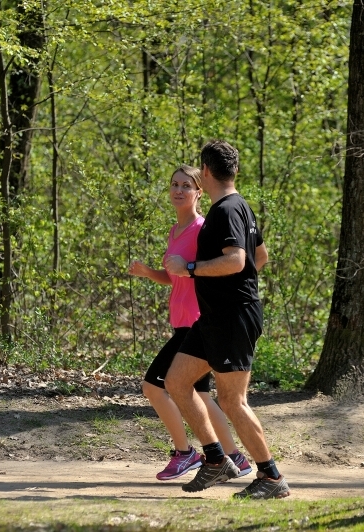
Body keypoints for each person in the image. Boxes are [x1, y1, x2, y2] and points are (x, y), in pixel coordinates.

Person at [164, 140, 290, 499]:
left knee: (233, 401)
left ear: (205, 172)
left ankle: (271, 477)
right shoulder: (239, 206)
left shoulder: (227, 210)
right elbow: (259, 257)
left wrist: (190, 269)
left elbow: (237, 260)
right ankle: (217, 460)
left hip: (233, 318)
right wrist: (230, 285)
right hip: (216, 317)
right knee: (176, 381)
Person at [128, 164, 252, 482]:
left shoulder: (201, 229)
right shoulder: (175, 231)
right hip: (182, 321)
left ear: (199, 191)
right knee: (200, 395)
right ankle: (235, 456)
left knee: (153, 386)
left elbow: (209, 268)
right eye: (174, 184)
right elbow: (175, 278)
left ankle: (186, 454)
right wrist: (147, 272)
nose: (179, 190)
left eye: (186, 185)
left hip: (197, 322)